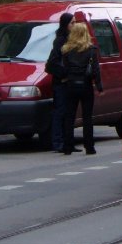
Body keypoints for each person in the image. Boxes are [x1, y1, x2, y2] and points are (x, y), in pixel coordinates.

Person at [61, 22, 103, 155]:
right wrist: (99, 87)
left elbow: (64, 69)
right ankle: (89, 147)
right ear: (86, 34)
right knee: (87, 118)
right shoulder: (91, 50)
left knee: (69, 117)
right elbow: (96, 70)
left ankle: (67, 146)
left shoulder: (66, 50)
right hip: (86, 85)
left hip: (71, 85)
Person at [45, 13, 74, 152]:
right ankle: (58, 141)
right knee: (60, 112)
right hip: (61, 82)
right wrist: (65, 74)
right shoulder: (60, 40)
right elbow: (52, 63)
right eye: (72, 23)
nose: (74, 26)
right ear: (65, 24)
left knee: (69, 112)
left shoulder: (71, 39)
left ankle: (68, 141)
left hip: (68, 82)